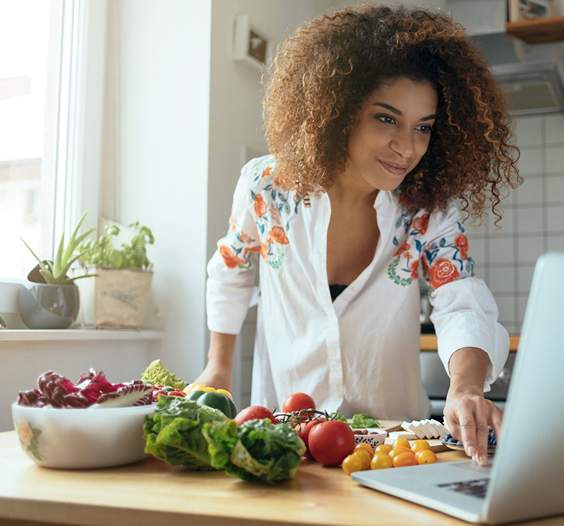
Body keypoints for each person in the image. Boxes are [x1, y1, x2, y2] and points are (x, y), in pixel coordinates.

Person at [196, 4, 520, 466]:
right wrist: (218, 365)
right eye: (386, 119)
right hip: (285, 441)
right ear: (338, 110)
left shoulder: (425, 209)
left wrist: (465, 386)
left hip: (395, 447)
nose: (407, 147)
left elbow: (461, 297)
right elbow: (230, 268)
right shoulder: (267, 187)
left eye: (423, 127)